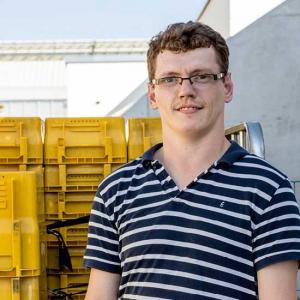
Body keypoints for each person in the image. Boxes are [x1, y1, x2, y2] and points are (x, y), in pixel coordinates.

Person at [83, 21, 300, 299]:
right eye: (170, 79)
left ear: (227, 86)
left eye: (201, 76)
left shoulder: (268, 189)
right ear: (152, 94)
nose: (186, 90)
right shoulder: (116, 190)